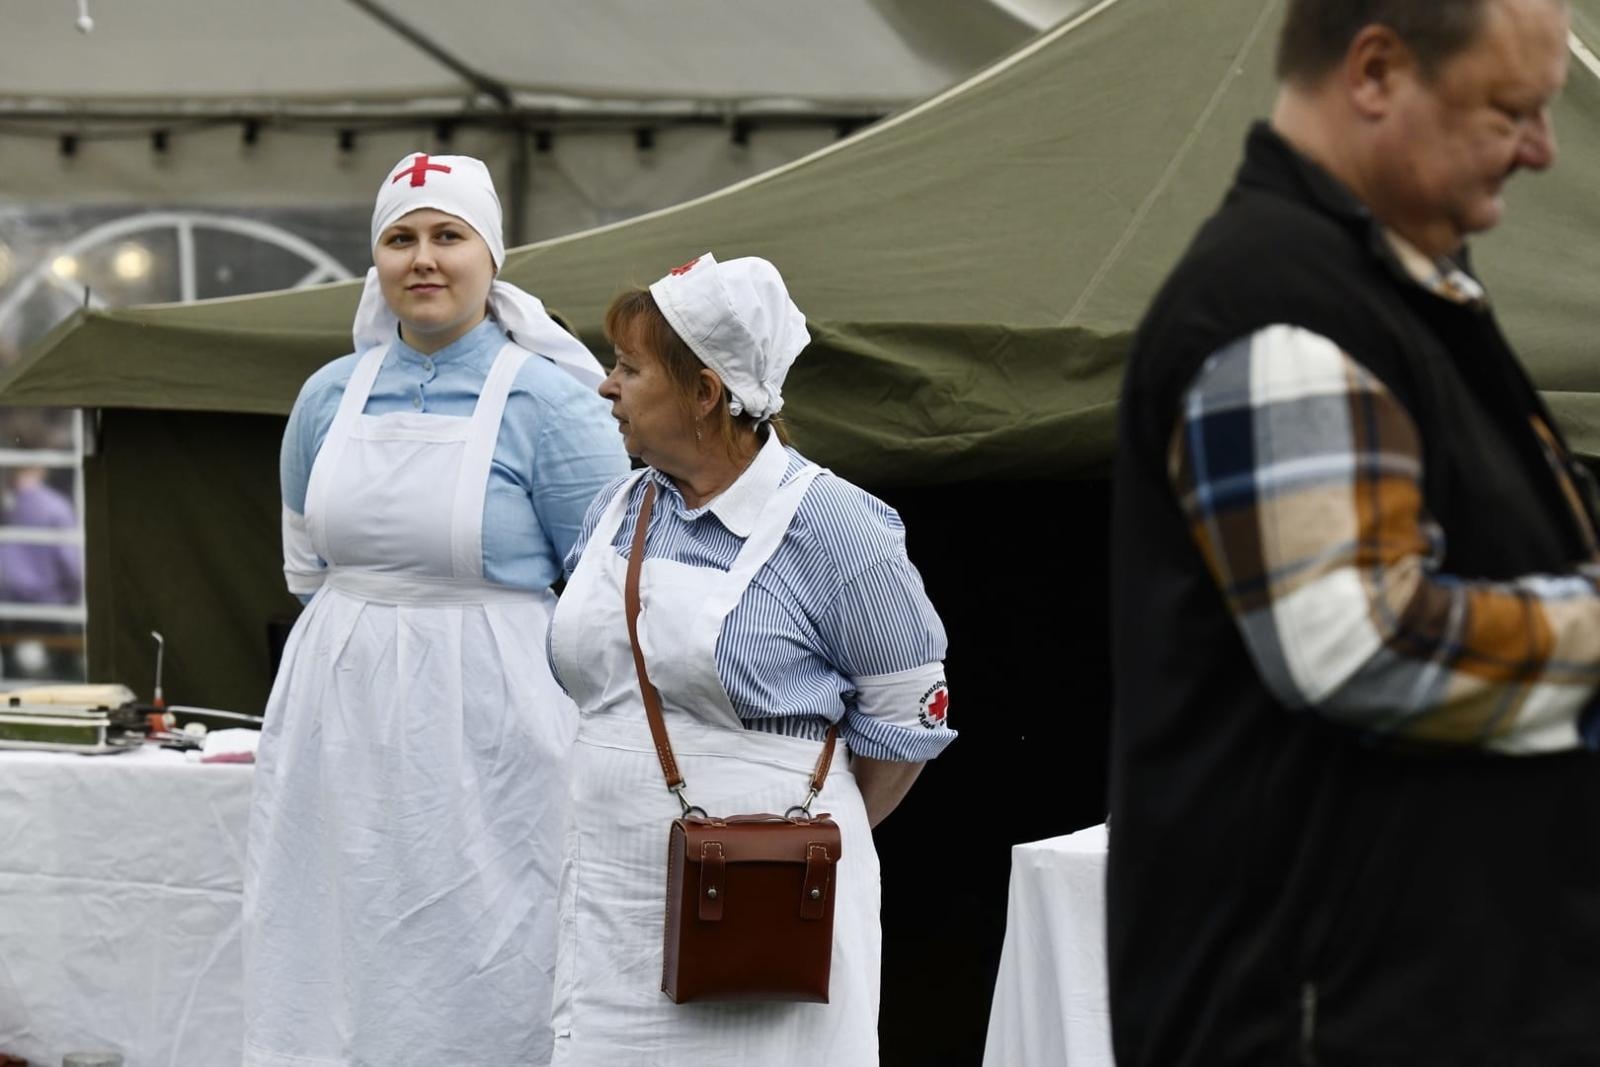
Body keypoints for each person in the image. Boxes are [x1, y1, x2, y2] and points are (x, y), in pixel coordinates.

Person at [1107, 1, 1600, 1063]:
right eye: (1510, 109)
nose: (1541, 150)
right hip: (1336, 1022)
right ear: (1374, 71)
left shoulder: (1388, 294)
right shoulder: (1274, 306)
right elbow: (1359, 639)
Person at [244, 152, 630, 1067]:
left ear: (490, 256)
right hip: (338, 712)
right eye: (400, 238)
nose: (424, 258)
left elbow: (607, 589)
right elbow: (308, 564)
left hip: (495, 718)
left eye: (448, 236)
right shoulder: (326, 396)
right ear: (376, 261)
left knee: (487, 927)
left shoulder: (550, 402)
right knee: (333, 918)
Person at [545, 252, 954, 1064]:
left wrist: (784, 827)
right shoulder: (616, 510)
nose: (605, 386)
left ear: (704, 391)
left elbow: (908, 717)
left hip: (763, 913)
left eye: (629, 367)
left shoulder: (836, 528)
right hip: (610, 902)